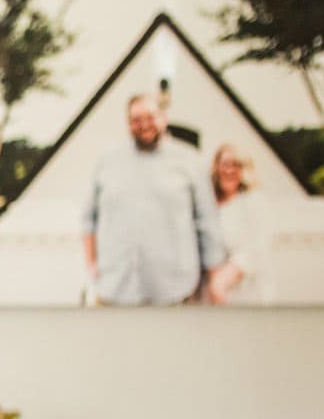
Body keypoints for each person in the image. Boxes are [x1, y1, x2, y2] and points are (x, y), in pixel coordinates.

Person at [82, 93, 227, 305]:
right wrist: (92, 264)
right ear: (128, 123)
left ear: (164, 118)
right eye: (136, 120)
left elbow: (207, 222)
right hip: (115, 289)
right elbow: (88, 219)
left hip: (175, 292)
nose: (144, 125)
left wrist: (214, 280)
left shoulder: (190, 161)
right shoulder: (106, 162)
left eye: (150, 117)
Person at [206, 143, 270, 305]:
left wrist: (221, 281)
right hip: (209, 292)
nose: (229, 170)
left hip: (244, 291)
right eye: (225, 164)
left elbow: (256, 250)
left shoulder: (255, 201)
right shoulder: (208, 202)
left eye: (236, 165)